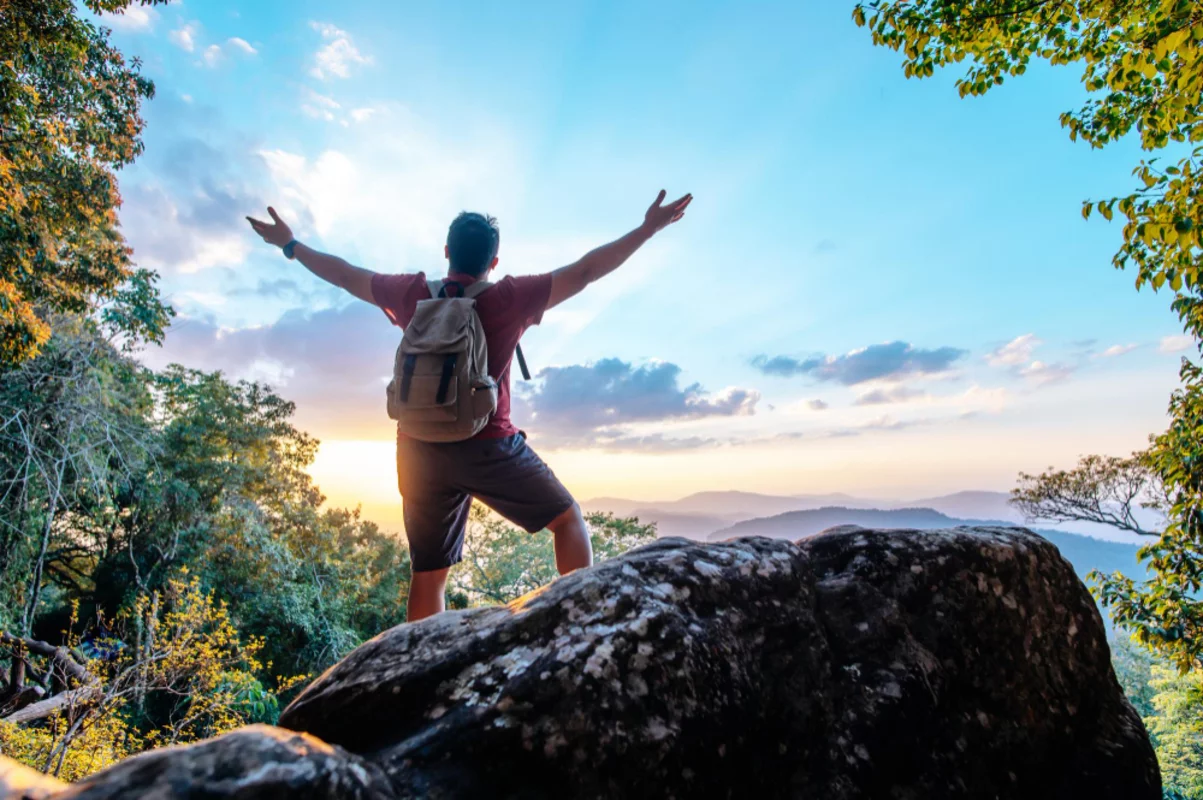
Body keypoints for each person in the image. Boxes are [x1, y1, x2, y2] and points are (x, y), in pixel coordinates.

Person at [246, 189, 692, 621]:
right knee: (568, 520)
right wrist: (647, 229)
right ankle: (584, 625)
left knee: (428, 576)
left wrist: (290, 244)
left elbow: (345, 274)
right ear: (493, 262)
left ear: (446, 251)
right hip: (489, 446)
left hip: (418, 449)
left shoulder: (414, 292)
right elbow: (586, 271)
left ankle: (419, 671)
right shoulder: (508, 297)